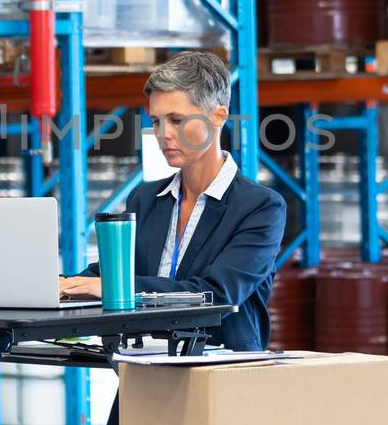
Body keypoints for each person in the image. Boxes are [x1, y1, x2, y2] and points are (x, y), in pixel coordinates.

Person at [59, 50, 285, 351]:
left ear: (218, 116)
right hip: (143, 364)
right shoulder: (146, 199)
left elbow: (218, 294)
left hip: (221, 371)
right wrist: (62, 285)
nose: (163, 134)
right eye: (156, 121)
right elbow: (116, 272)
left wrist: (114, 289)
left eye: (177, 120)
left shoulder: (260, 208)